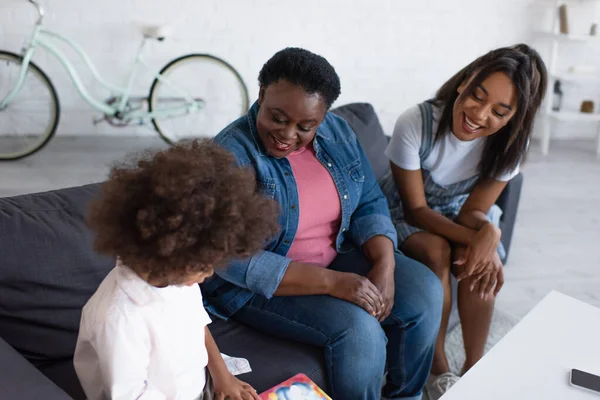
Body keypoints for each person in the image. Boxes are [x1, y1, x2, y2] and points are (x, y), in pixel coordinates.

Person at [201, 47, 443, 400]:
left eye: (306, 126)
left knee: (425, 290)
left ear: (323, 117)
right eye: (278, 117)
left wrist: (385, 264)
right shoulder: (229, 156)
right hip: (256, 288)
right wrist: (334, 283)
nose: (287, 134)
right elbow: (234, 261)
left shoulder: (338, 132)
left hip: (337, 254)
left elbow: (369, 201)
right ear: (261, 93)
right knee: (360, 330)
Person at [380, 44, 547, 399]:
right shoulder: (416, 122)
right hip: (402, 211)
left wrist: (488, 234)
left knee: (484, 263)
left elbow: (473, 210)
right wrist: (480, 238)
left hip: (457, 213)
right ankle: (437, 372)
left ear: (511, 119)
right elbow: (415, 211)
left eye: (499, 112)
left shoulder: (509, 146)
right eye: (477, 96)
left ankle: (474, 366)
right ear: (464, 82)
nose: (479, 114)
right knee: (437, 249)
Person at [73, 140, 280, 400]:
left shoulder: (178, 279)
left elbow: (196, 323)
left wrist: (222, 377)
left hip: (198, 385)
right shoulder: (120, 319)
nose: (208, 275)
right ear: (167, 252)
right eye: (203, 266)